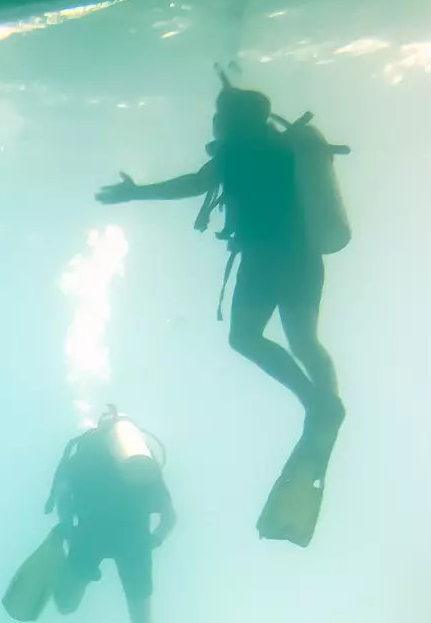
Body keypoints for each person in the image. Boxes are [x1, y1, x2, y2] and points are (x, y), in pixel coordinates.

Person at [95, 79, 343, 438]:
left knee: (245, 337)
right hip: (303, 255)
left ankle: (315, 402)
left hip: (264, 260)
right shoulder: (284, 145)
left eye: (219, 117)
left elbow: (193, 184)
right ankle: (328, 403)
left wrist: (136, 192)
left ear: (230, 120)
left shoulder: (237, 152)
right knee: (304, 339)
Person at [47, 408, 176, 623]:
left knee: (65, 605)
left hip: (90, 535)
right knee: (142, 619)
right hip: (134, 539)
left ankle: (78, 574)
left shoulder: (81, 453)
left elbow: (62, 503)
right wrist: (156, 538)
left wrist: (68, 538)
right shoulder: (139, 459)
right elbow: (169, 515)